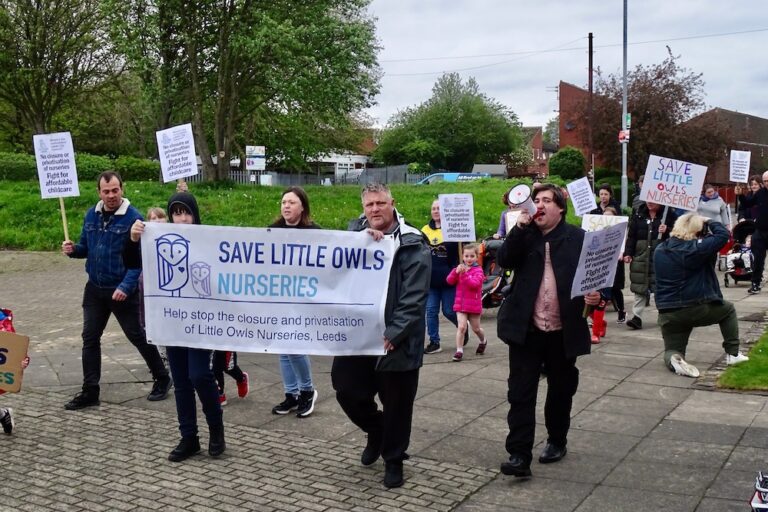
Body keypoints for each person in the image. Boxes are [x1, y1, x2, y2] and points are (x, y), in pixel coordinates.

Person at [495, 183, 601, 478]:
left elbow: (600, 276)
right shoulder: (524, 236)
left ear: (560, 208)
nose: (538, 205)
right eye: (535, 200)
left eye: (545, 200)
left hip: (562, 330)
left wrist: (597, 296)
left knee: (561, 391)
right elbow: (504, 260)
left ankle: (557, 440)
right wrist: (519, 229)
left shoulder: (579, 238)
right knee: (520, 392)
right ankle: (518, 454)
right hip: (526, 330)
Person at [331, 183, 430, 489]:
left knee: (397, 402)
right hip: (358, 335)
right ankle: (377, 430)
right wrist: (362, 241)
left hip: (397, 341)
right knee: (346, 389)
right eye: (369, 205)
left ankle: (394, 459)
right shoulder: (355, 234)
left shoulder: (413, 242)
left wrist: (396, 332)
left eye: (380, 203)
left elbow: (414, 296)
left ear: (392, 204)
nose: (374, 209)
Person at [127, 192, 225, 461]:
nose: (182, 218)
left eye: (187, 212)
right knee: (181, 381)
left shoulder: (208, 240)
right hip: (173, 321)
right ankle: (188, 437)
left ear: (195, 214)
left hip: (201, 323)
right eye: (177, 213)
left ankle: (216, 429)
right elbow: (132, 263)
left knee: (199, 375)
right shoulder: (161, 241)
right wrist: (134, 239)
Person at [61, 171, 171, 410]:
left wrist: (126, 286)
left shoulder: (134, 219)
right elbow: (85, 248)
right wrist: (73, 249)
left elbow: (138, 260)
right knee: (90, 338)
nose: (111, 195)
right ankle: (90, 391)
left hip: (121, 291)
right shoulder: (92, 214)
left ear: (122, 189)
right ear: (99, 192)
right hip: (95, 290)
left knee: (138, 337)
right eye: (106, 191)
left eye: (115, 190)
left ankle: (162, 378)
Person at [654, 213, 750, 377]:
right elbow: (723, 235)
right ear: (697, 231)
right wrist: (708, 220)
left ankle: (674, 360)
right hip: (693, 306)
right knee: (728, 310)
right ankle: (733, 354)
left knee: (672, 350)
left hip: (667, 311)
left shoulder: (659, 249)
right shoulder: (695, 249)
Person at [268, 186, 319, 418]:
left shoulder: (314, 231)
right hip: (278, 296)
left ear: (302, 207)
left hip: (303, 298)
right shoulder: (272, 231)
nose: (286, 206)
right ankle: (291, 394)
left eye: (291, 202)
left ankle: (307, 391)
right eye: (283, 202)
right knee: (282, 346)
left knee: (295, 344)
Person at [623, 201, 678, 330]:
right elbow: (631, 236)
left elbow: (680, 235)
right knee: (639, 287)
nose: (649, 203)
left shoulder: (669, 215)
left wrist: (668, 230)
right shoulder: (638, 214)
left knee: (661, 287)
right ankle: (637, 317)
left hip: (662, 257)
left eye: (653, 201)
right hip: (641, 257)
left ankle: (664, 315)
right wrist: (628, 253)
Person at [421, 199, 461, 355]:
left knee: (449, 311)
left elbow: (461, 251)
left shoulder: (453, 229)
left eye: (439, 208)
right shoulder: (424, 230)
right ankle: (434, 342)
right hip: (430, 281)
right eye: (433, 208)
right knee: (430, 312)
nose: (436, 210)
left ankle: (462, 328)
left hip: (449, 280)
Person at [446, 243, 487, 361]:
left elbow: (474, 285)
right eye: (466, 256)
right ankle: (459, 350)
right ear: (462, 256)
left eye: (472, 256)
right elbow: (449, 281)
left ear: (476, 257)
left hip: (473, 305)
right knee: (462, 327)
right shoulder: (459, 268)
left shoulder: (478, 270)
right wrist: (455, 272)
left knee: (476, 329)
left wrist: (464, 275)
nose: (469, 259)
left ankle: (483, 341)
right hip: (460, 305)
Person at [735, 171, 768, 294]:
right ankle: (755, 283)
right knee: (758, 258)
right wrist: (741, 195)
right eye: (765, 181)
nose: (766, 183)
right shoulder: (760, 193)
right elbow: (748, 203)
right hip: (760, 230)